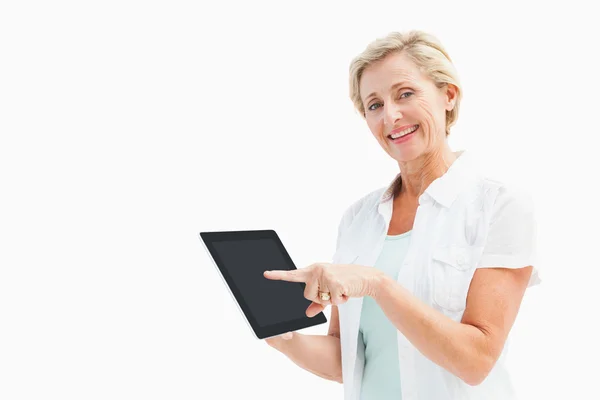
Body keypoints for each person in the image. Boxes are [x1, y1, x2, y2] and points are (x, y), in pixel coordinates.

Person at [263, 30, 541, 400]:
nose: (391, 116)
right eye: (374, 105)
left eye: (405, 94)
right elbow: (349, 358)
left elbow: (476, 360)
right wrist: (281, 336)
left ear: (448, 94)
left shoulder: (499, 207)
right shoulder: (359, 219)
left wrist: (378, 284)